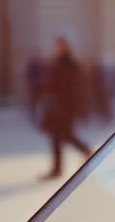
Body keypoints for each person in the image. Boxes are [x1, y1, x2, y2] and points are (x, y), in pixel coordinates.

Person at [39, 34, 93, 180]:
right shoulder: (60, 62)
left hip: (65, 105)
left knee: (64, 135)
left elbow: (72, 84)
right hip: (59, 105)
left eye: (58, 45)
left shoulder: (70, 63)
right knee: (59, 136)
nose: (56, 48)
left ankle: (85, 152)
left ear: (64, 46)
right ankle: (60, 167)